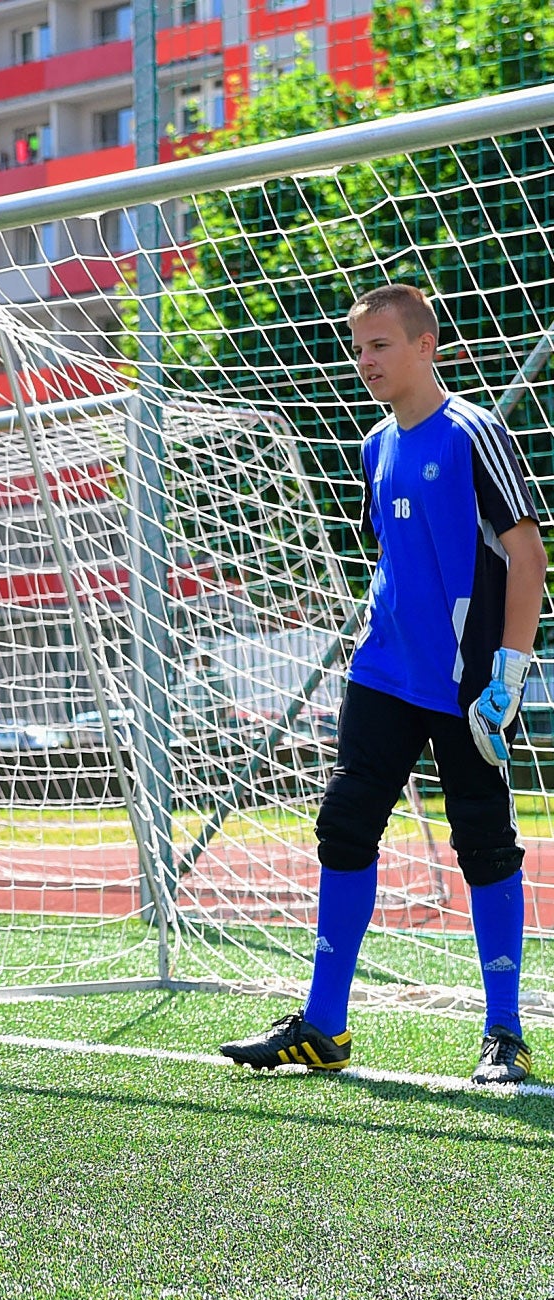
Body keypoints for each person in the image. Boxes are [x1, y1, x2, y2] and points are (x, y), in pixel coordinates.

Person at [221, 283, 546, 1084]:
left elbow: (528, 552)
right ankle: (324, 1025)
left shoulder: (476, 432)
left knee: (484, 842)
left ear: (426, 345)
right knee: (346, 820)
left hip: (469, 682)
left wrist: (508, 666)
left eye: (381, 345)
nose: (365, 360)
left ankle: (503, 1030)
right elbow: (395, 560)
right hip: (382, 673)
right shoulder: (373, 446)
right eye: (358, 347)